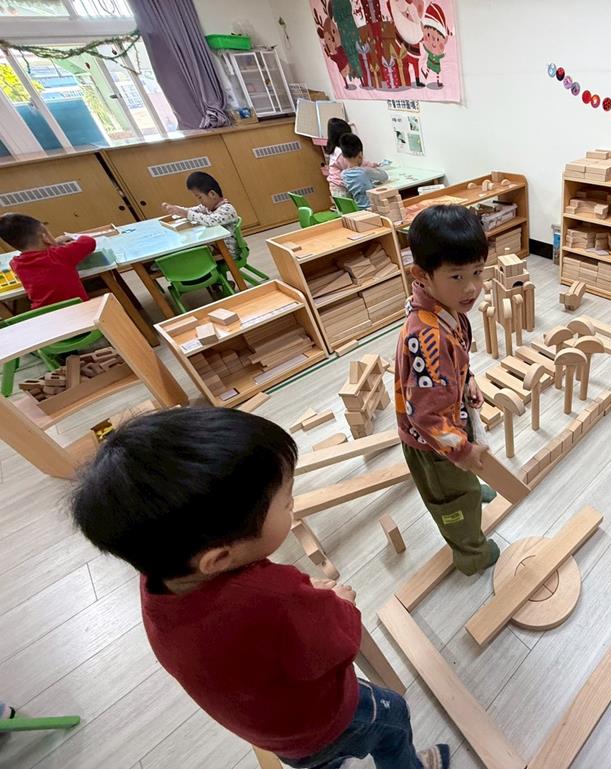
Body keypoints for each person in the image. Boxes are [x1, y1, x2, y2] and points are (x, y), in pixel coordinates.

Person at [71, 408, 449, 769]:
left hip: (272, 732)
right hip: (322, 720)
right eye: (286, 502)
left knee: (318, 759)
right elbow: (342, 644)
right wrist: (341, 603)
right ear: (219, 558)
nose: (293, 504)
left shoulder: (159, 578)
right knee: (393, 718)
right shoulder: (275, 597)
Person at [394, 205, 499, 576]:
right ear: (422, 275)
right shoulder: (429, 337)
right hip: (433, 444)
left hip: (449, 422)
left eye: (477, 272)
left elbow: (456, 363)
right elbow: (425, 417)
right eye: (457, 276)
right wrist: (462, 451)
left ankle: (467, 484)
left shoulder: (444, 306)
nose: (471, 287)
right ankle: (471, 553)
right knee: (452, 504)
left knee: (464, 474)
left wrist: (467, 379)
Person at [1, 212, 96, 310]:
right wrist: (55, 243)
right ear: (44, 237)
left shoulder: (15, 264)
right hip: (77, 309)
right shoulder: (59, 254)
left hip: (44, 313)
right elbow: (89, 242)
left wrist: (53, 243)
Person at [161, 172, 240, 258]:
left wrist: (185, 213)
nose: (199, 201)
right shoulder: (208, 207)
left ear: (212, 194)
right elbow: (192, 211)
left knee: (191, 257)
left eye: (200, 197)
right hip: (216, 247)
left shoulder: (227, 209)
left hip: (228, 252)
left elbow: (211, 221)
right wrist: (176, 209)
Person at [339, 134, 389, 210]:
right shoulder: (365, 172)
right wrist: (375, 169)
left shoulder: (343, 175)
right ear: (360, 154)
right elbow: (384, 176)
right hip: (373, 208)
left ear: (343, 155)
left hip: (359, 209)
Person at [323, 117, 355, 199]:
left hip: (335, 186)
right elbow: (353, 169)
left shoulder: (334, 149)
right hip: (341, 188)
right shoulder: (340, 153)